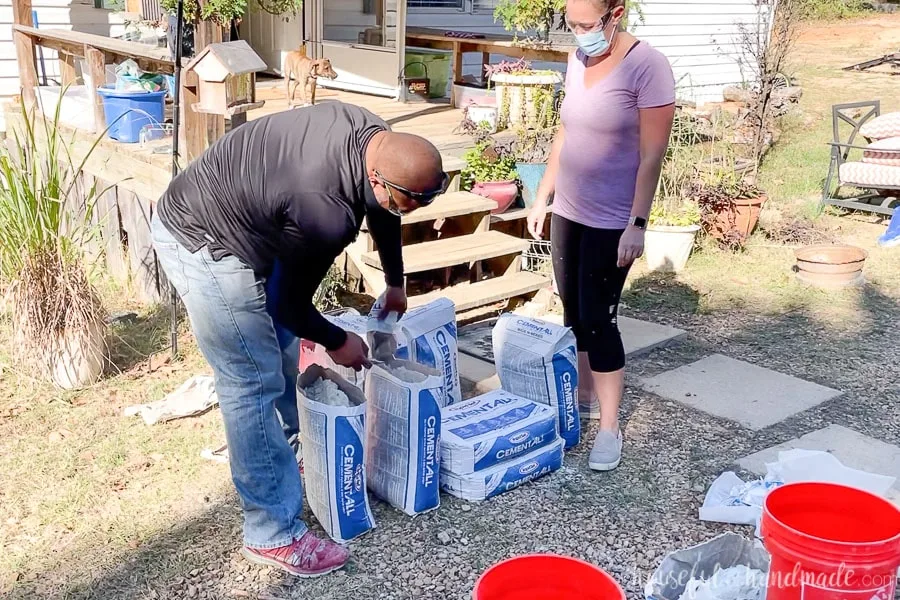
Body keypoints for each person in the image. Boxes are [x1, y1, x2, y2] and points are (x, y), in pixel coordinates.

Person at [150, 102, 448, 577]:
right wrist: (335, 340)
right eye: (411, 200)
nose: (413, 211)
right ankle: (272, 532)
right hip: (202, 238)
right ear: (377, 178)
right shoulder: (325, 209)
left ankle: (293, 455)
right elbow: (286, 306)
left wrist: (395, 281)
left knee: (282, 350)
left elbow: (386, 209)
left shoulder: (373, 137)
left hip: (254, 218)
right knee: (252, 380)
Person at [527, 0, 675, 471]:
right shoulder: (578, 59)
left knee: (599, 319)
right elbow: (565, 133)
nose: (578, 34)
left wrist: (638, 223)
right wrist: (542, 195)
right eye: (571, 24)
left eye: (587, 25)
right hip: (569, 210)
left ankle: (609, 429)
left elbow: (652, 155)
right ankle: (584, 398)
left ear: (616, 14)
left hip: (614, 219)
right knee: (572, 312)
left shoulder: (647, 67)